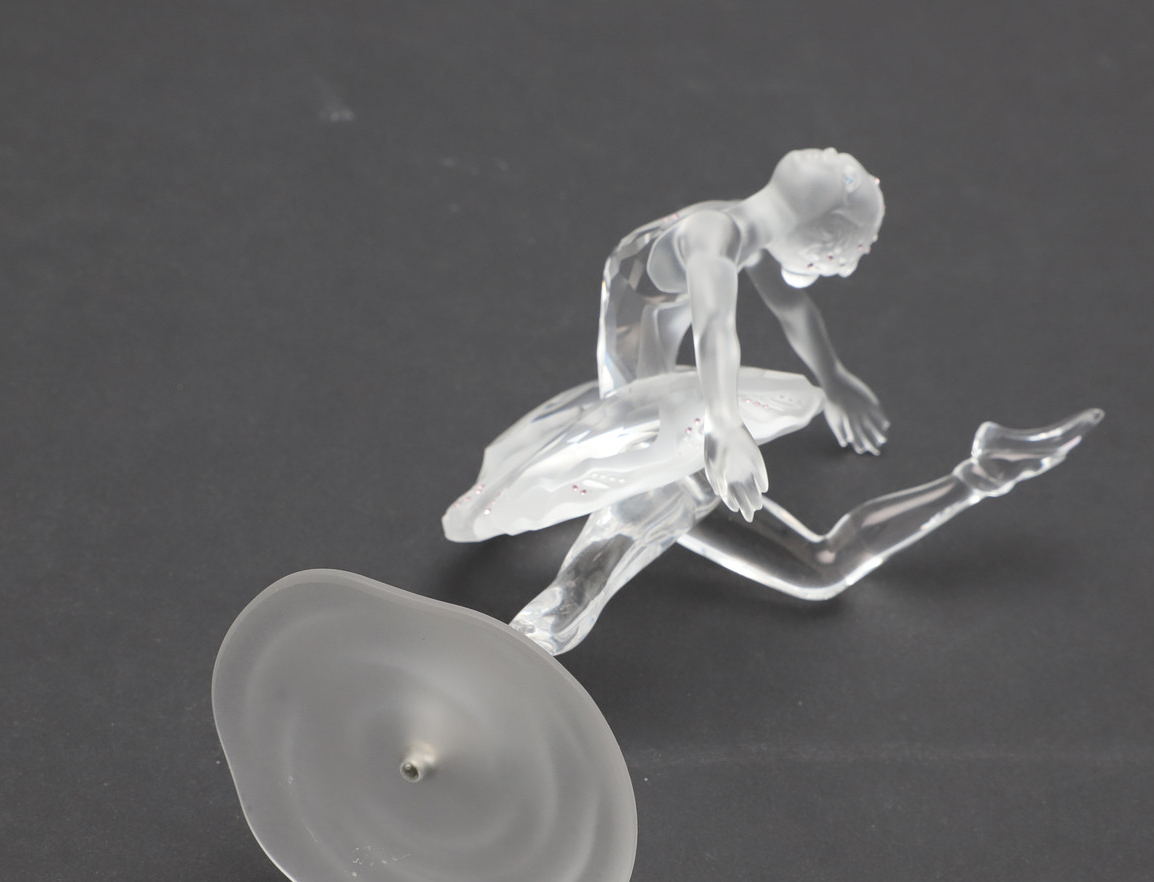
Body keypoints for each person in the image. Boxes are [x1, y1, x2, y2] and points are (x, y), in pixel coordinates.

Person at [447, 148, 1102, 654]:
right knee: (766, 554)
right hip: (653, 422)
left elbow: (793, 310)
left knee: (810, 563)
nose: (841, 268)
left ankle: (982, 475)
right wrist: (724, 426)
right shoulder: (711, 237)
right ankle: (530, 641)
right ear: (818, 237)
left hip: (663, 407)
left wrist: (834, 378)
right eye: (845, 254)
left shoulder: (743, 228)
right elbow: (716, 328)